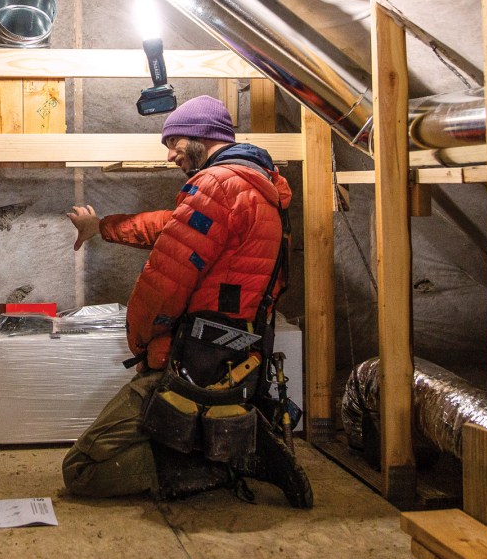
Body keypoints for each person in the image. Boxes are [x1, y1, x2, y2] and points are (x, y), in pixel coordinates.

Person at [62, 95, 312, 507]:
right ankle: (226, 447)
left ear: (201, 135)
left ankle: (217, 463)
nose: (171, 154)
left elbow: (163, 285)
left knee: (82, 471)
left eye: (174, 141)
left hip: (189, 363)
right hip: (233, 358)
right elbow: (172, 226)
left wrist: (141, 341)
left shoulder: (216, 185)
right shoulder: (257, 186)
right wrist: (103, 227)